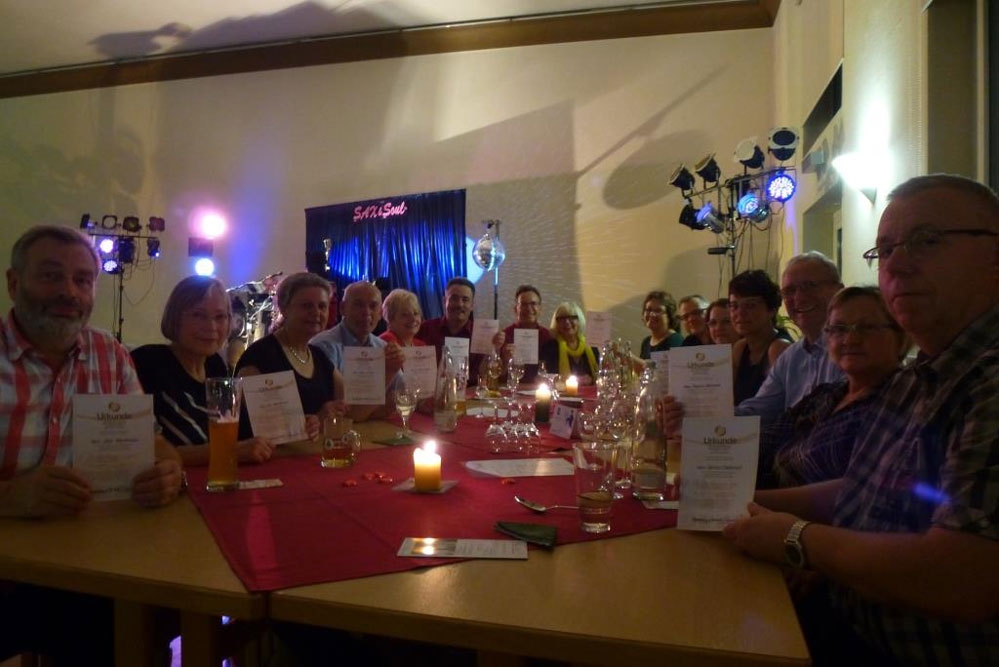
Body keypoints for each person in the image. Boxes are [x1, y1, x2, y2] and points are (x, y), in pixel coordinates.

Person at [723, 175, 999, 665]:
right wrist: (738, 501)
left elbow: (963, 578)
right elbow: (862, 490)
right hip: (841, 611)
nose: (897, 263)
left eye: (927, 240)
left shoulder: (988, 380)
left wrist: (798, 540)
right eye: (885, 250)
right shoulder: (919, 378)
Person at [0, 225, 183, 665]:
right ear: (14, 283)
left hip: (88, 564)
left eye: (82, 280)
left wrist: (169, 472)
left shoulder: (109, 354)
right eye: (51, 276)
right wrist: (9, 496)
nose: (69, 292)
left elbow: (154, 443)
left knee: (150, 622)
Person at [757, 286, 908, 489]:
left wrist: (751, 500)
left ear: (900, 334)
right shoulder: (826, 394)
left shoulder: (902, 400)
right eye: (839, 329)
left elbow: (856, 491)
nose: (850, 339)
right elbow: (767, 439)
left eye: (866, 328)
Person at [131, 275, 275, 466]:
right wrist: (229, 451)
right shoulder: (147, 362)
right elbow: (138, 450)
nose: (211, 327)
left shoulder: (215, 364)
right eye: (198, 315)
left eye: (220, 317)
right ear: (175, 318)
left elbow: (234, 435)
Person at [736, 252, 845, 424]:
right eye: (789, 291)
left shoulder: (850, 349)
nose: (799, 298)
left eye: (809, 286)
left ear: (839, 290)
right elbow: (758, 411)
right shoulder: (791, 357)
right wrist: (700, 415)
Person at [235, 272, 342, 437]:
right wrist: (318, 418)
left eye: (322, 306)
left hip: (311, 450)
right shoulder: (260, 357)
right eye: (306, 306)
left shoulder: (318, 356)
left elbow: (349, 404)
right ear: (284, 308)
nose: (316, 313)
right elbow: (266, 429)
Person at [310, 280, 405, 421]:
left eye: (373, 306)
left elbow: (400, 396)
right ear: (342, 308)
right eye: (358, 305)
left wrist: (365, 412)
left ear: (380, 313)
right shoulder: (323, 347)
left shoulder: (383, 347)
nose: (366, 312)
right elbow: (341, 410)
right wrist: (387, 375)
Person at [417, 277, 502, 386]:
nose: (460, 304)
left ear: (472, 305)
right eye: (454, 298)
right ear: (444, 301)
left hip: (470, 394)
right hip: (432, 394)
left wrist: (494, 348)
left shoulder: (481, 334)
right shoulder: (425, 329)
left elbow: (485, 375)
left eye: (465, 300)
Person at [728, 270, 791, 404]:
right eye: (734, 306)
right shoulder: (740, 348)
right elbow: (727, 398)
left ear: (772, 310)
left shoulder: (779, 348)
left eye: (750, 305)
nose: (740, 313)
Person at [500, 284, 553, 384]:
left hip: (540, 390)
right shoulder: (504, 336)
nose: (528, 308)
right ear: (516, 309)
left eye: (533, 304)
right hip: (511, 390)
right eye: (523, 304)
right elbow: (495, 377)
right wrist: (506, 361)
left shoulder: (548, 337)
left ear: (540, 309)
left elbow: (554, 372)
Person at [539, 301, 600, 385]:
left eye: (572, 317)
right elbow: (546, 377)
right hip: (561, 392)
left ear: (579, 320)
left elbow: (599, 375)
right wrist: (574, 381)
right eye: (562, 319)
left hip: (590, 393)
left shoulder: (592, 346)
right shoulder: (549, 348)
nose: (567, 322)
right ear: (557, 323)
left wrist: (592, 379)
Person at [638, 290, 684, 358]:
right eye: (648, 309)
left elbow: (658, 365)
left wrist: (629, 357)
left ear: (669, 316)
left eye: (658, 311)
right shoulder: (646, 342)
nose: (652, 314)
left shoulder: (675, 341)